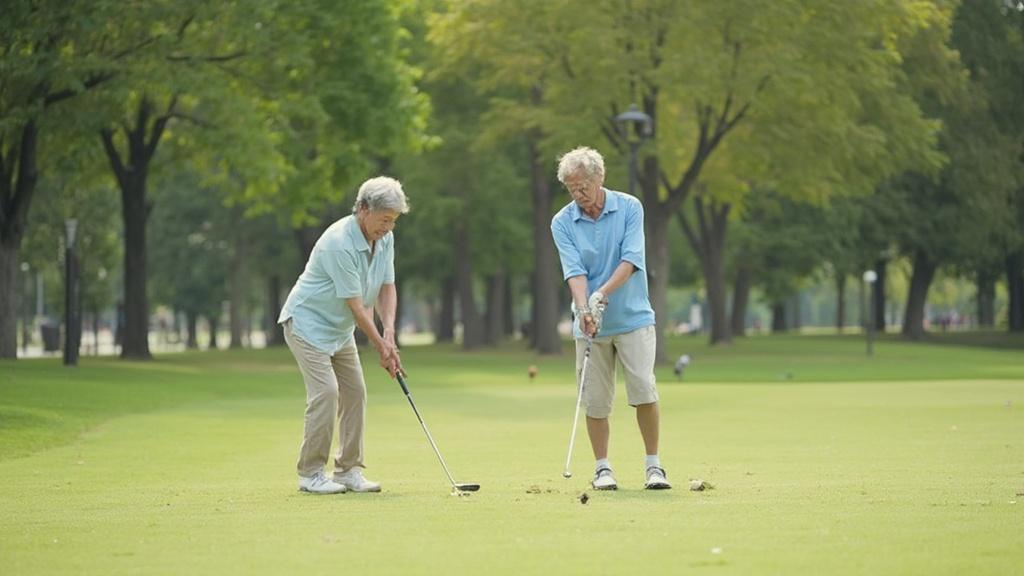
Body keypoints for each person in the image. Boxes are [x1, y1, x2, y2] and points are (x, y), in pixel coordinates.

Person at [550, 147, 671, 491]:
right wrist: (584, 309)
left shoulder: (630, 207)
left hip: (633, 318)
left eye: (583, 186)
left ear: (599, 178)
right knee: (595, 400)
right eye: (571, 188)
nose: (578, 194)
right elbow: (574, 271)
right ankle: (602, 468)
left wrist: (601, 295)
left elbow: (631, 260)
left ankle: (653, 466)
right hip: (590, 326)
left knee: (644, 389)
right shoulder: (562, 222)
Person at [278, 176, 408, 494]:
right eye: (384, 219)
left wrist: (390, 334)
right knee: (326, 392)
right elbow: (357, 307)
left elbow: (387, 287)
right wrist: (382, 348)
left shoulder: (385, 239)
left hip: (339, 329)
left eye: (393, 220)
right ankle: (310, 473)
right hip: (307, 323)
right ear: (363, 209)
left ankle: (347, 470)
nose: (389, 227)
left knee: (355, 392)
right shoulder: (339, 243)